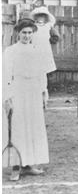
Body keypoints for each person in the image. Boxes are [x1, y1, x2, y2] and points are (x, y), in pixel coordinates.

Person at [3, 18, 49, 181]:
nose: (27, 36)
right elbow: (6, 75)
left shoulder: (37, 50)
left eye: (30, 32)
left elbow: (42, 72)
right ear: (18, 33)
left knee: (33, 127)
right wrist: (7, 97)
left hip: (34, 91)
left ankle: (29, 164)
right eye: (24, 32)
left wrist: (44, 91)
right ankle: (16, 167)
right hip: (18, 90)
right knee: (18, 127)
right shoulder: (10, 51)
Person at [30, 6, 60, 74]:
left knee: (46, 68)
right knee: (35, 67)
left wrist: (49, 41)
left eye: (42, 16)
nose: (40, 18)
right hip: (34, 49)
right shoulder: (32, 26)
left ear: (46, 18)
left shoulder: (48, 26)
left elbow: (56, 36)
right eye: (38, 16)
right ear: (35, 17)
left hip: (45, 49)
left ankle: (46, 82)